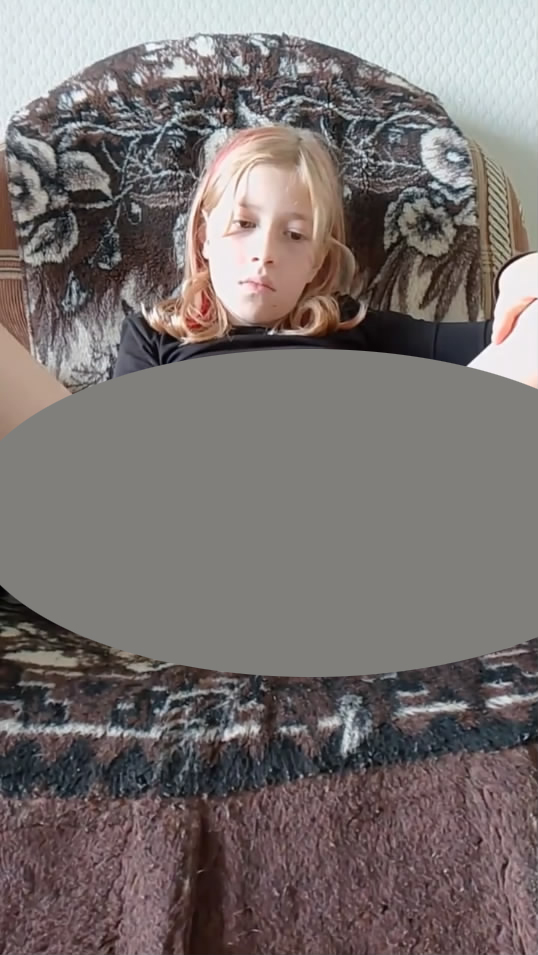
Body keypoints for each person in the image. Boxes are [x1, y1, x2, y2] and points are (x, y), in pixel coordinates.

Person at [0, 124, 536, 441]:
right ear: (204, 238)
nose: (265, 253)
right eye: (243, 224)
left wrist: (518, 273)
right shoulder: (156, 334)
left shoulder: (354, 326)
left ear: (318, 262)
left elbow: (506, 341)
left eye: (295, 235)